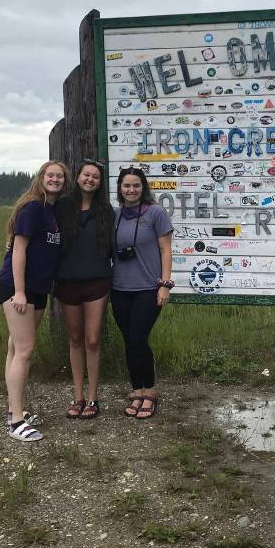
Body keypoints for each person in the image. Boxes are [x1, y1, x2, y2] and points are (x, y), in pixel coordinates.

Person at [0, 161, 69, 442]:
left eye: (59, 176)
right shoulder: (33, 208)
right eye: (50, 175)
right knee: (25, 350)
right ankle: (16, 421)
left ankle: (12, 410)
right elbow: (18, 250)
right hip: (20, 289)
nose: (55, 179)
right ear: (41, 178)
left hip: (38, 288)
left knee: (16, 347)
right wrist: (19, 291)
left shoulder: (51, 211)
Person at [111, 167, 174, 419]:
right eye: (126, 185)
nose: (131, 190)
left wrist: (164, 284)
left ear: (143, 187)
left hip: (148, 288)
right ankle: (136, 390)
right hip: (119, 288)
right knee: (129, 340)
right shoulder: (114, 215)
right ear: (120, 188)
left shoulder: (156, 213)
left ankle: (150, 392)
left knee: (138, 337)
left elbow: (166, 250)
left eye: (136, 185)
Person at [53, 159, 114, 419]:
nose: (90, 179)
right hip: (67, 282)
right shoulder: (62, 206)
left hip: (97, 282)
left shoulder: (106, 210)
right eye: (86, 175)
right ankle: (78, 396)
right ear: (77, 178)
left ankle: (93, 398)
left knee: (92, 339)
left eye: (96, 177)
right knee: (75, 339)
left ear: (100, 183)